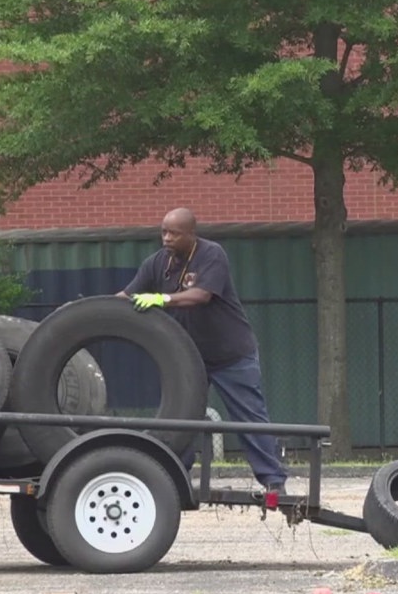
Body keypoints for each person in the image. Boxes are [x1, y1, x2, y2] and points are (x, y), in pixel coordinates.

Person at [117, 207, 289, 495]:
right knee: (182, 417)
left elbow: (201, 295)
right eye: (163, 231)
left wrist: (162, 298)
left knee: (249, 416)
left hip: (231, 354)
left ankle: (274, 481)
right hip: (190, 356)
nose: (167, 238)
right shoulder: (157, 263)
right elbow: (127, 296)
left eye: (174, 233)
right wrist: (88, 309)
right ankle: (175, 477)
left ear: (191, 234)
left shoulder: (212, 254)